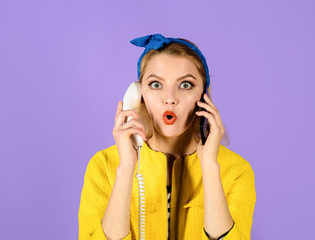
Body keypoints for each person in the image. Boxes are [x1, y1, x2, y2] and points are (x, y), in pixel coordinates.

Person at [78, 33, 256, 240]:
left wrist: (209, 166)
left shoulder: (236, 171)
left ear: (203, 96)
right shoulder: (103, 166)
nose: (170, 99)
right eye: (156, 84)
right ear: (139, 94)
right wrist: (126, 168)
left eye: (185, 85)